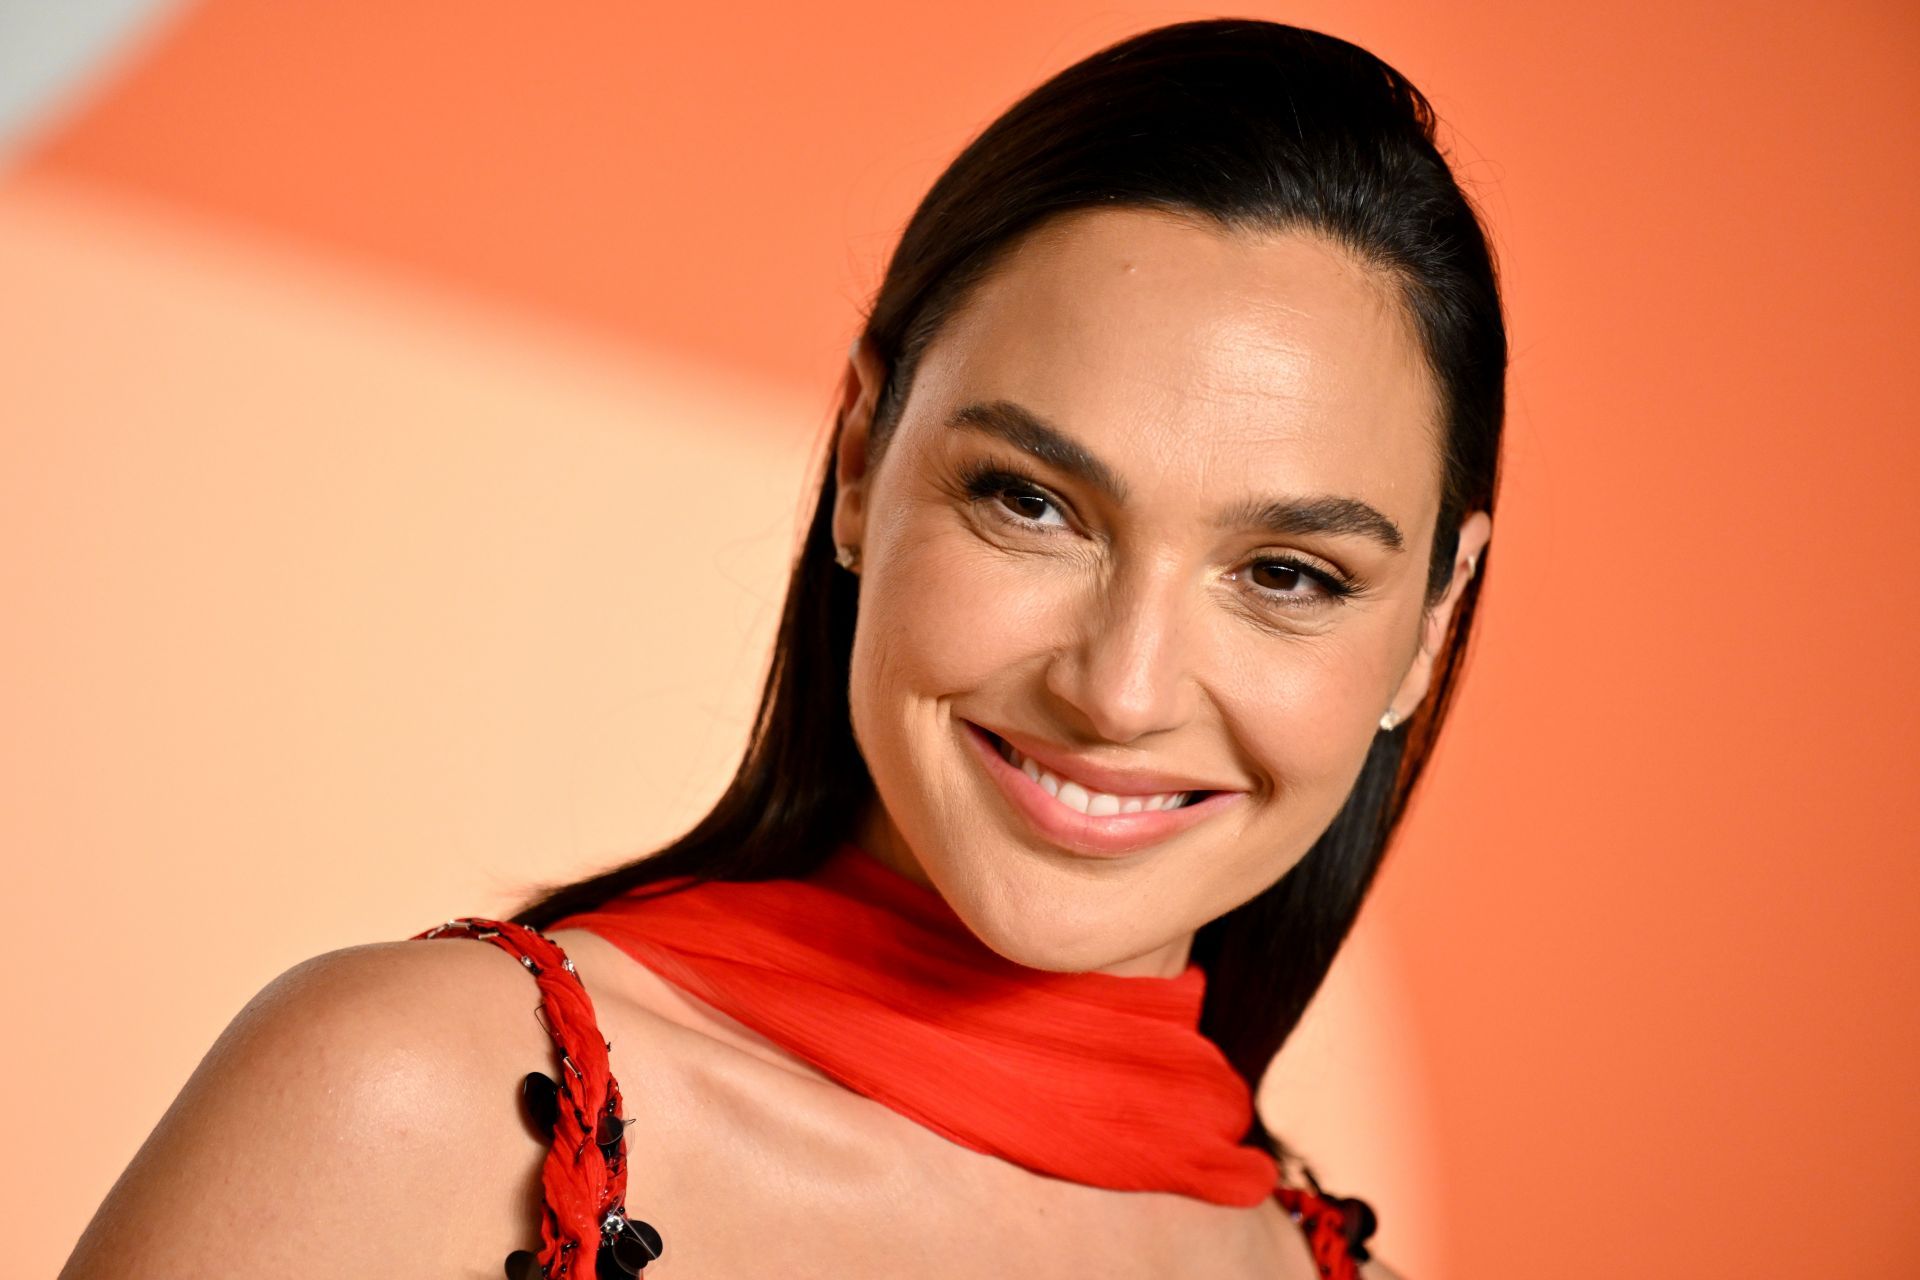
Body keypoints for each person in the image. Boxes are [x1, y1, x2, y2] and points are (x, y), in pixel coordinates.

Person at [58, 18, 1501, 1280]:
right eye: (1032, 502)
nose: (1118, 688)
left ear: (1430, 630)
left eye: (1289, 574)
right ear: (866, 462)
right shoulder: (412, 1105)